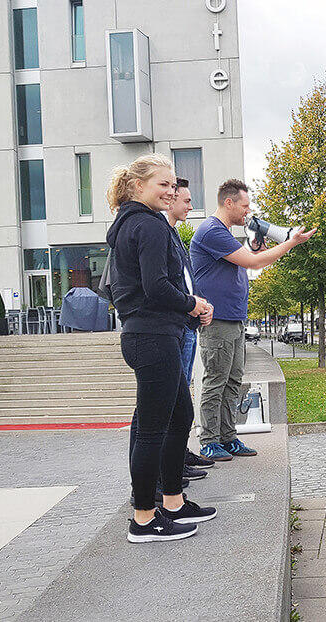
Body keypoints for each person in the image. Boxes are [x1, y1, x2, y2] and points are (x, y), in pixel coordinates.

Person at [106, 154, 217, 543]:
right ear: (139, 186)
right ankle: (143, 518)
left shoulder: (129, 223)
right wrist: (194, 304)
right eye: (163, 185)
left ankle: (172, 502)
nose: (171, 191)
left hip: (149, 334)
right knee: (153, 429)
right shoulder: (147, 226)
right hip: (152, 336)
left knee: (179, 415)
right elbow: (155, 286)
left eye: (173, 185)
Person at [191, 179, 315, 461]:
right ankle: (210, 440)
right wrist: (290, 242)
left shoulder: (223, 234)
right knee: (216, 381)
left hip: (233, 318)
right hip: (218, 319)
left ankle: (227, 436)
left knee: (233, 381)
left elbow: (250, 257)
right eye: (245, 206)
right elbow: (254, 263)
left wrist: (256, 245)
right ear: (229, 202)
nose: (248, 211)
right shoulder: (211, 231)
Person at [165, 177, 214, 475]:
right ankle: (174, 463)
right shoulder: (159, 234)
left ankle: (179, 455)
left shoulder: (174, 236)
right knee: (176, 399)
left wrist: (199, 304)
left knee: (182, 396)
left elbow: (185, 281)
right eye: (186, 200)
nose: (191, 206)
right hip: (176, 327)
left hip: (187, 324)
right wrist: (190, 304)